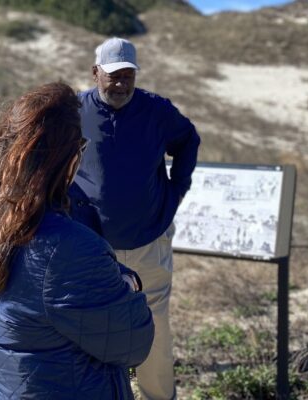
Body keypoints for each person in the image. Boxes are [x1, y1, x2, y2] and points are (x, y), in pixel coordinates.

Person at [0, 82, 155, 399]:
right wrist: (128, 287)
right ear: (67, 160)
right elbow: (133, 344)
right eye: (80, 148)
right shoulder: (68, 249)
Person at [75, 37, 201, 400]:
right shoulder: (74, 111)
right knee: (96, 328)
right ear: (95, 72)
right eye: (113, 75)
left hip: (148, 241)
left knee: (154, 327)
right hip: (92, 246)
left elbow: (188, 141)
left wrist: (177, 190)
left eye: (127, 75)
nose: (120, 83)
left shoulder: (157, 110)